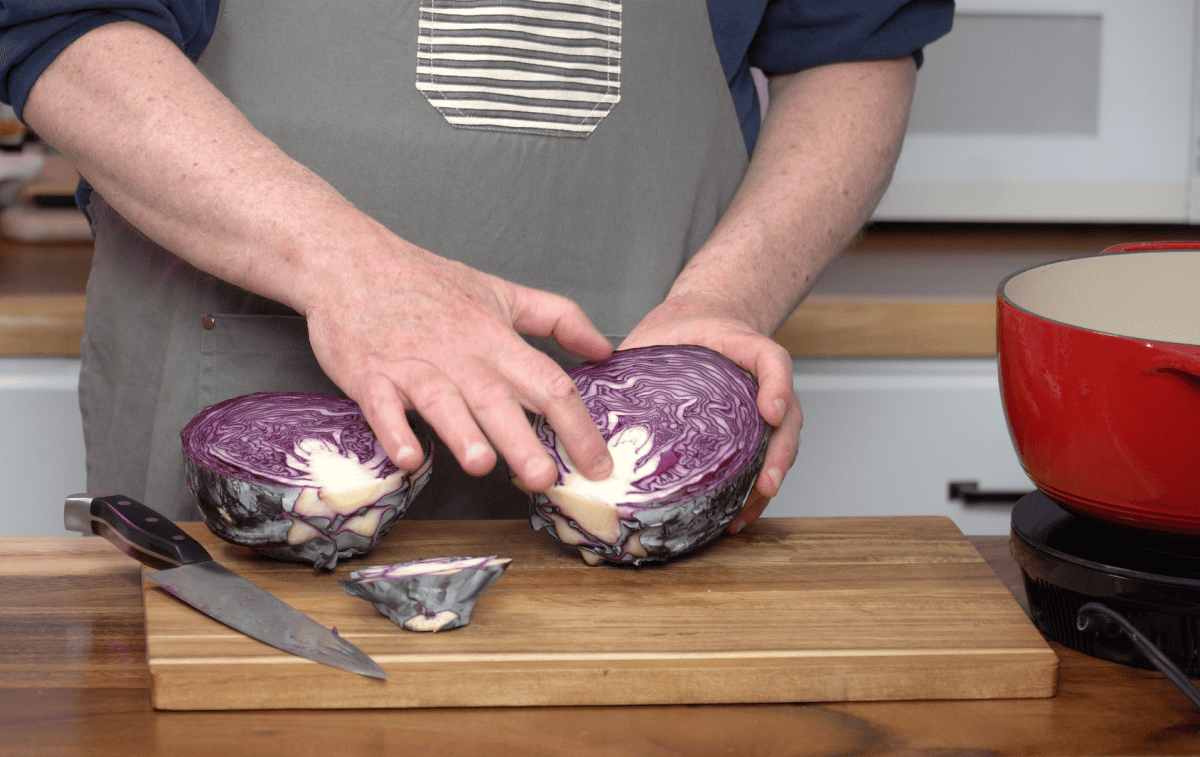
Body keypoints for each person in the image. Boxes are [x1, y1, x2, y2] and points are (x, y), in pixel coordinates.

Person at [0, 1, 953, 526]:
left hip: (629, 428)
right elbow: (57, 22)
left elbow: (853, 43)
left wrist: (725, 298)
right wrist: (345, 268)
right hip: (231, 422)